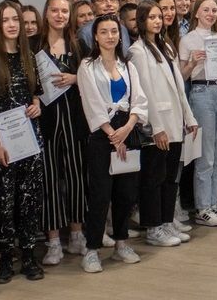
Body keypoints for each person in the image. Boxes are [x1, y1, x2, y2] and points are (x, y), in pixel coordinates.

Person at [0, 0, 46, 283]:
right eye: (5, 20)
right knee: (3, 201)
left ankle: (29, 256)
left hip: (30, 140)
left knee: (29, 199)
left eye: (15, 19)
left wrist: (37, 106)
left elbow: (36, 94)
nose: (12, 25)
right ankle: (5, 258)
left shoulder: (30, 57)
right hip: (1, 142)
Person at [76, 15, 146, 273]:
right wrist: (112, 134)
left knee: (126, 193)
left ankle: (121, 243)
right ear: (95, 36)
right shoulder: (87, 66)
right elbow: (91, 103)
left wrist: (127, 128)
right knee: (101, 194)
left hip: (127, 130)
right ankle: (92, 249)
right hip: (101, 134)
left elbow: (139, 100)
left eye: (114, 31)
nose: (110, 36)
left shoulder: (128, 66)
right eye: (104, 32)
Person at [129, 0, 198, 246]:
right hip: (157, 124)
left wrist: (189, 117)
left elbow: (179, 87)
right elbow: (145, 91)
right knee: (153, 178)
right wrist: (156, 128)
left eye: (159, 17)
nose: (158, 21)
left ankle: (167, 221)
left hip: (175, 120)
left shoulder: (166, 46)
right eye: (152, 17)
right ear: (142, 21)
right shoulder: (138, 51)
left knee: (170, 178)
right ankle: (154, 228)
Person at [31, 0, 91, 266]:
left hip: (75, 120)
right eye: (54, 10)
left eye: (64, 11)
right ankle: (53, 241)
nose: (59, 15)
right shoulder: (34, 45)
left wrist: (75, 78)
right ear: (46, 13)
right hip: (46, 121)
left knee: (77, 177)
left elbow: (93, 76)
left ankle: (77, 234)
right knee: (50, 179)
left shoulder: (78, 45)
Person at [179, 0, 217, 225]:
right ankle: (202, 207)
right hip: (201, 91)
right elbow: (181, 77)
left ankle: (214, 203)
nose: (211, 14)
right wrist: (192, 63)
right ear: (196, 13)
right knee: (206, 154)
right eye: (206, 10)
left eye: (214, 10)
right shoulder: (187, 40)